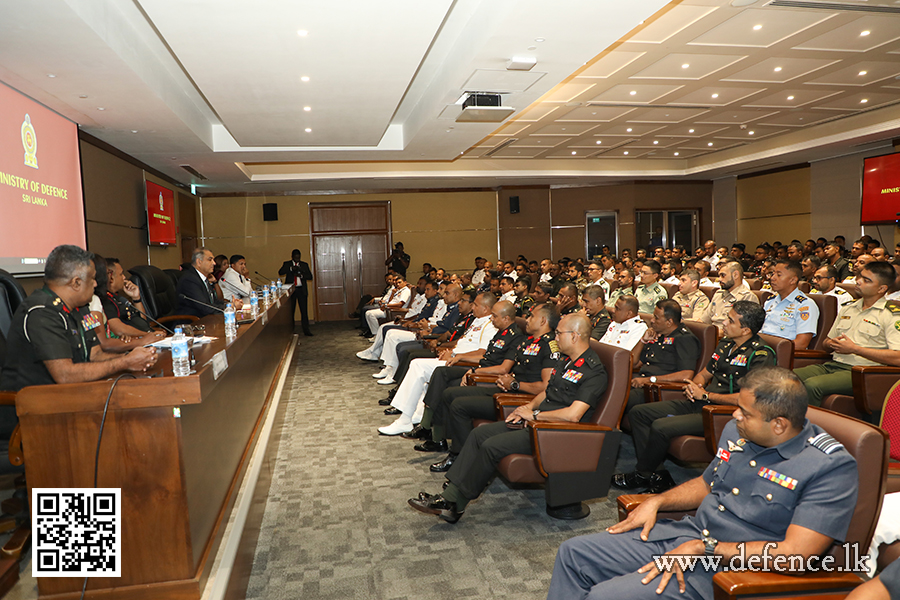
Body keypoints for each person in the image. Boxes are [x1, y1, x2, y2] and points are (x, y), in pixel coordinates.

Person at [550, 366, 858, 600]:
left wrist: (705, 548)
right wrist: (657, 501)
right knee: (574, 554)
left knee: (606, 596)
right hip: (690, 536)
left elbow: (795, 556)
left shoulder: (828, 466)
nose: (735, 414)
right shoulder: (739, 432)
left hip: (735, 567)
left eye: (746, 413)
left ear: (779, 424)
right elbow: (707, 483)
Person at [408, 313, 607, 523]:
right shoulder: (566, 361)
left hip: (554, 432)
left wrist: (535, 415)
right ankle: (450, 498)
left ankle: (453, 503)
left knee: (491, 446)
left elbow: (573, 415)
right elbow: (548, 392)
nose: (555, 338)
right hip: (537, 422)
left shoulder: (594, 372)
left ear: (575, 336)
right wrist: (526, 407)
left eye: (559, 333)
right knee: (479, 434)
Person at [616, 301, 775, 493]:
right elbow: (705, 373)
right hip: (701, 401)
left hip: (722, 413)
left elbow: (750, 399)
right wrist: (695, 386)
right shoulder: (726, 344)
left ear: (745, 330)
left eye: (730, 321)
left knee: (660, 426)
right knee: (639, 413)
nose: (724, 323)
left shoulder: (760, 354)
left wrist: (707, 395)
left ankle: (642, 474)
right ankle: (657, 475)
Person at [0, 246, 159, 405]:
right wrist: (125, 362)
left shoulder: (81, 307)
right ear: (76, 283)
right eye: (92, 278)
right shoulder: (41, 312)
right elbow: (65, 375)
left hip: (71, 397)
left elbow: (95, 355)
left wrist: (131, 359)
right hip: (34, 408)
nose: (96, 284)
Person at [416, 303, 557, 464]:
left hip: (518, 398)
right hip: (506, 389)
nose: (527, 319)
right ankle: (441, 439)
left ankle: (459, 457)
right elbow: (512, 369)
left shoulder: (549, 346)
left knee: (459, 404)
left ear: (543, 321)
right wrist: (508, 379)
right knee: (449, 393)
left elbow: (545, 386)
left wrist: (514, 384)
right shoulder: (528, 341)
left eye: (532, 316)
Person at [377, 295, 504, 435]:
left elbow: (482, 353)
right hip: (454, 358)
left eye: (475, 305)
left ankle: (405, 420)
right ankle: (416, 413)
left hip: (462, 363)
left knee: (418, 366)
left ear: (485, 308)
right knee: (418, 366)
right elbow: (462, 342)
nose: (472, 307)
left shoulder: (490, 326)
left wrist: (456, 356)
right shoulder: (478, 320)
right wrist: (449, 350)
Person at [794, 262, 900, 406]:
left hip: (864, 372)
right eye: (860, 277)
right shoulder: (848, 308)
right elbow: (826, 343)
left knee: (813, 385)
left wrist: (855, 349)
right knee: (787, 377)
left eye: (866, 280)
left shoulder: (891, 314)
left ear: (882, 288)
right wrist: (831, 343)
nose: (858, 281)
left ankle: (807, 427)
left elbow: (897, 357)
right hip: (834, 364)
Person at [625, 299, 701, 414]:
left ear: (669, 322)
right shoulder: (659, 336)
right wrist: (642, 340)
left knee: (620, 399)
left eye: (656, 317)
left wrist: (650, 380)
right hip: (641, 383)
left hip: (657, 389)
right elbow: (634, 363)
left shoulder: (684, 339)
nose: (652, 320)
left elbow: (686, 374)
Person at [760, 260, 819, 350]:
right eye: (773, 274)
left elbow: (801, 344)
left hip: (782, 354)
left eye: (779, 275)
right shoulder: (770, 301)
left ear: (793, 280)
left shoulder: (805, 305)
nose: (772, 278)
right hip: (761, 350)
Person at [176, 247, 242, 317]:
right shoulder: (190, 280)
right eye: (210, 260)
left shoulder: (203, 278)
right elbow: (205, 307)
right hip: (192, 323)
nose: (214, 263)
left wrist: (230, 304)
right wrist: (230, 307)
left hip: (206, 320)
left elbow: (214, 302)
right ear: (199, 262)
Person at [699, 261, 758, 335]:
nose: (719, 279)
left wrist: (711, 333)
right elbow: (704, 320)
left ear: (735, 275)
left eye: (723, 275)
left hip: (728, 339)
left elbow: (742, 331)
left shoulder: (747, 297)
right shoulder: (718, 294)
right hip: (711, 335)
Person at [101, 258, 153, 336]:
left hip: (146, 337)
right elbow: (119, 330)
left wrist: (136, 298)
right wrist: (147, 335)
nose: (124, 277)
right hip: (137, 342)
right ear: (111, 277)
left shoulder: (119, 298)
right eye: (121, 274)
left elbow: (143, 322)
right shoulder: (106, 301)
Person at [600, 295, 648, 360]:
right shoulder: (615, 323)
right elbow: (600, 345)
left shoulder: (639, 328)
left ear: (629, 314)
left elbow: (627, 356)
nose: (613, 311)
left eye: (617, 309)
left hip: (616, 364)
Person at [278, 249, 314, 336]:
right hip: (291, 290)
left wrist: (301, 275)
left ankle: (306, 329)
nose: (297, 259)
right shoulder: (287, 264)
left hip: (301, 290)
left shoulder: (304, 265)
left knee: (304, 311)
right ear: (292, 257)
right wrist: (291, 269)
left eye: (299, 258)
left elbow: (310, 276)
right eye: (296, 258)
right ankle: (291, 330)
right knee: (291, 311)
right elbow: (280, 272)